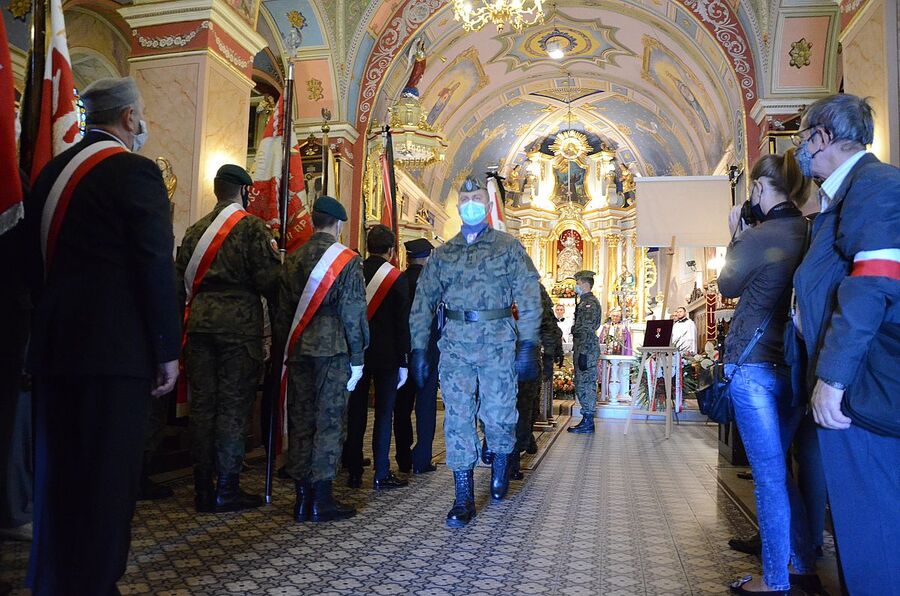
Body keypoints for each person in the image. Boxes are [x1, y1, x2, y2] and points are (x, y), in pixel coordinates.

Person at [23, 77, 180, 593]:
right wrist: (166, 350)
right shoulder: (134, 172)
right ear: (130, 119)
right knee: (107, 482)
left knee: (56, 474)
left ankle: (51, 578)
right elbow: (155, 264)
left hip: (52, 349)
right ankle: (94, 583)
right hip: (114, 357)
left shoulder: (49, 173)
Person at [791, 94, 900, 594]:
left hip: (865, 385)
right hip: (859, 378)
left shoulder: (876, 186)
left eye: (803, 140)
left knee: (873, 524)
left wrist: (831, 379)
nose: (801, 152)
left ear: (821, 137)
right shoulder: (851, 190)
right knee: (865, 521)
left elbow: (872, 284)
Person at [409, 175, 541, 528]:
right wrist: (418, 347)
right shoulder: (443, 254)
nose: (470, 202)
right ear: (458, 206)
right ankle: (463, 497)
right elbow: (423, 303)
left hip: (498, 342)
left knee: (499, 413)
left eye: (476, 197)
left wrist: (528, 342)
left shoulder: (508, 247)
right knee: (457, 418)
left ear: (487, 204)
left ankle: (500, 462)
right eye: (464, 197)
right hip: (455, 346)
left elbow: (528, 296)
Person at [718, 150, 818, 596]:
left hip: (754, 364)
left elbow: (727, 285)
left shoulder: (760, 237)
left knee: (768, 475)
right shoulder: (808, 231)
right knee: (781, 469)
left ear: (759, 188)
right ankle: (800, 559)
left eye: (755, 188)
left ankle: (774, 579)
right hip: (795, 366)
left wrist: (736, 235)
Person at [175, 164, 281, 513]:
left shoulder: (194, 231)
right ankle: (228, 487)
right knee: (233, 408)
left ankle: (203, 486)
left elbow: (180, 284)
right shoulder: (252, 228)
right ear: (245, 192)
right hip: (238, 328)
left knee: (203, 408)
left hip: (200, 325)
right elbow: (269, 281)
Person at [276, 196, 368, 523]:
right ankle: (322, 499)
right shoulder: (347, 260)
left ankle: (302, 498)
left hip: (298, 347)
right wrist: (358, 356)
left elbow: (283, 310)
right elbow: (353, 311)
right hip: (333, 350)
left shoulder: (294, 258)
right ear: (338, 224)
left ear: (314, 221)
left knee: (301, 420)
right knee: (328, 421)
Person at [343, 224, 410, 490]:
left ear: (368, 246)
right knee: (384, 414)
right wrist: (404, 360)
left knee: (356, 412)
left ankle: (354, 470)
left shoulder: (355, 273)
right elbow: (401, 323)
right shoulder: (397, 278)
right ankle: (381, 472)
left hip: (358, 353)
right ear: (392, 251)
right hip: (389, 357)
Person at [393, 238, 440, 475]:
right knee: (425, 406)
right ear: (428, 257)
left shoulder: (399, 279)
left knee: (401, 407)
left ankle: (402, 458)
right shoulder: (433, 283)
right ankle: (421, 459)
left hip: (402, 352)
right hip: (428, 353)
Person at [511, 286, 563, 479]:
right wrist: (551, 356)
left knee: (501, 407)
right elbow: (549, 326)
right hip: (525, 355)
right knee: (525, 406)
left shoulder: (494, 279)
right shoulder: (534, 288)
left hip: (498, 358)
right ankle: (513, 460)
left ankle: (499, 451)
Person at [568, 271, 601, 434]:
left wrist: (584, 353)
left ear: (585, 285)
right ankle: (586, 419)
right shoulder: (584, 302)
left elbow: (587, 329)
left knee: (586, 383)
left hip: (586, 349)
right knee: (582, 383)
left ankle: (588, 420)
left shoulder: (590, 303)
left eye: (578, 283)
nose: (576, 286)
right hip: (582, 347)